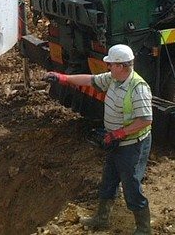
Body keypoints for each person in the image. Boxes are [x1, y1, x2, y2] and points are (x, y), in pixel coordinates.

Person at [45, 44, 153, 235]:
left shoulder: (138, 88)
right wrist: (63, 78)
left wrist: (118, 134)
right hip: (115, 142)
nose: (108, 67)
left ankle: (144, 229)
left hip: (132, 145)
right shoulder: (113, 79)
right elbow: (90, 80)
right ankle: (102, 218)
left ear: (121, 66)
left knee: (131, 184)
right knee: (109, 180)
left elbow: (145, 120)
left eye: (111, 64)